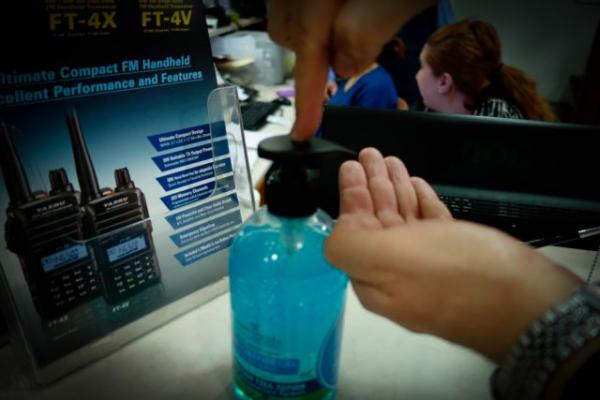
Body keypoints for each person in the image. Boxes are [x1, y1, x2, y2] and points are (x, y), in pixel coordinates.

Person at [267, 1, 600, 398]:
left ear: (444, 81)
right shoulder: (441, 111)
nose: (414, 74)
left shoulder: (491, 131)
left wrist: (514, 304)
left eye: (422, 67)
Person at [416, 19, 556, 120]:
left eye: (422, 66)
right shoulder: (433, 113)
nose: (417, 75)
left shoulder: (498, 118)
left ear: (444, 82)